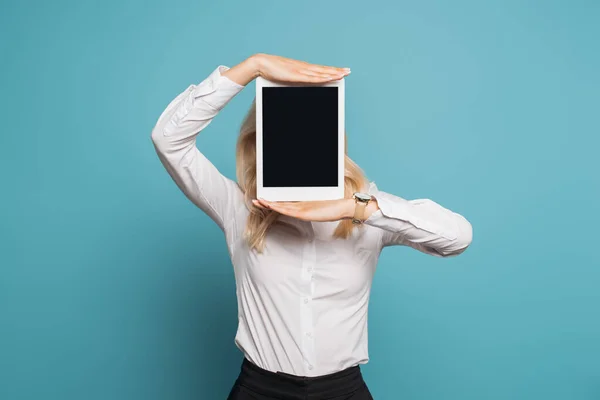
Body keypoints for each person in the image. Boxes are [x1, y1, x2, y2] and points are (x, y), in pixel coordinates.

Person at [151, 53, 473, 400]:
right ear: (258, 147)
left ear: (334, 142)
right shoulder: (237, 208)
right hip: (259, 390)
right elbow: (169, 140)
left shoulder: (368, 212)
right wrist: (250, 69)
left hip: (343, 390)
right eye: (280, 136)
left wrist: (356, 209)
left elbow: (456, 237)